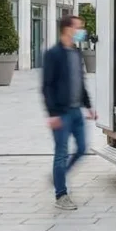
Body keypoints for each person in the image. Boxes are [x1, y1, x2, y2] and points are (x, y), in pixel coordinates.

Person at [42, 15, 97, 210]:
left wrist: (89, 106)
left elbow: (81, 82)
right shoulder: (53, 54)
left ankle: (59, 175)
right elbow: (46, 86)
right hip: (61, 113)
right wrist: (52, 114)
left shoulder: (76, 52)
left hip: (77, 112)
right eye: (78, 27)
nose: (81, 31)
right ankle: (61, 195)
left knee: (82, 148)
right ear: (67, 29)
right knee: (61, 153)